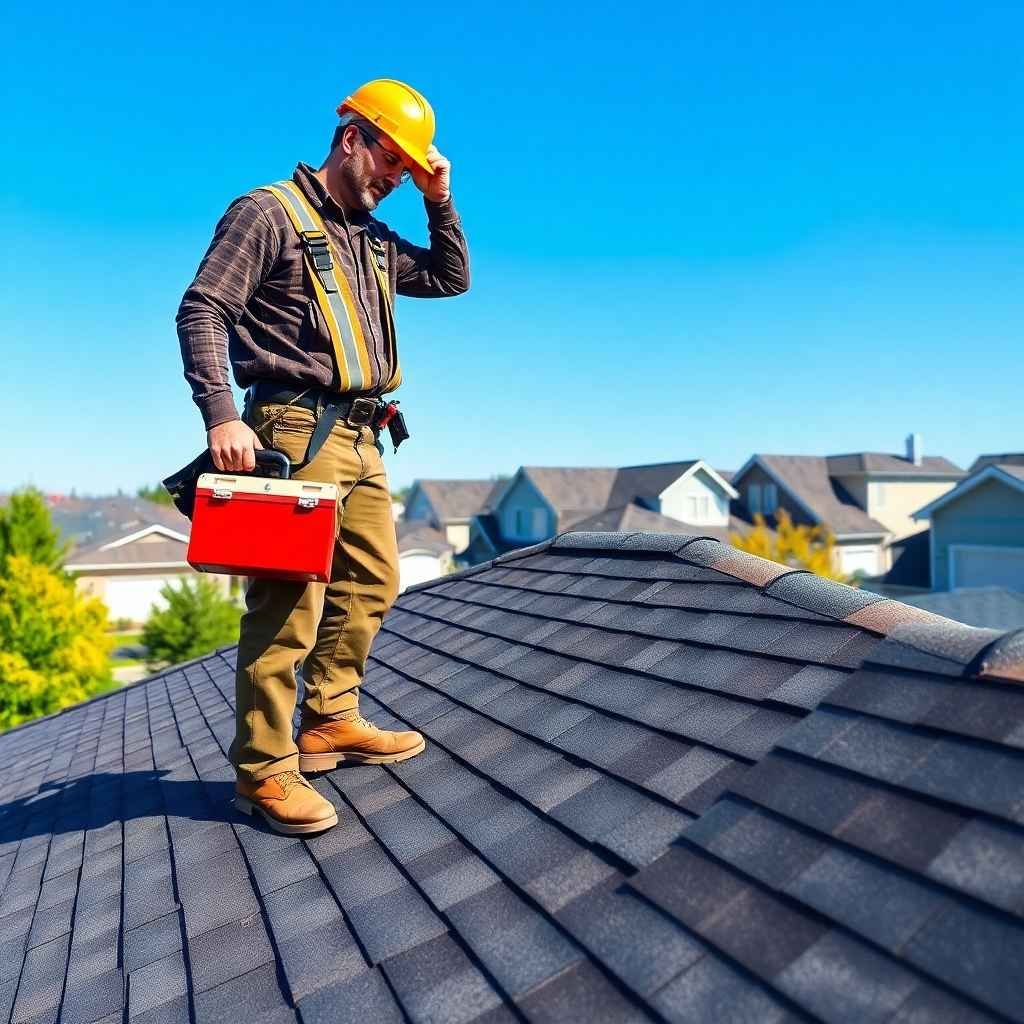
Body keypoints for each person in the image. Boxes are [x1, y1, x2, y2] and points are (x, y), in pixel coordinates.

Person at [176, 80, 470, 834]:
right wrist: (220, 416)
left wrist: (439, 199)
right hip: (292, 433)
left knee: (373, 578)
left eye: (408, 170)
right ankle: (264, 773)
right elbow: (202, 308)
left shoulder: (371, 239)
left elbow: (449, 278)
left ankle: (329, 719)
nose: (395, 178)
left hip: (364, 435)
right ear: (351, 139)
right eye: (392, 162)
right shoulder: (267, 213)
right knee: (288, 604)